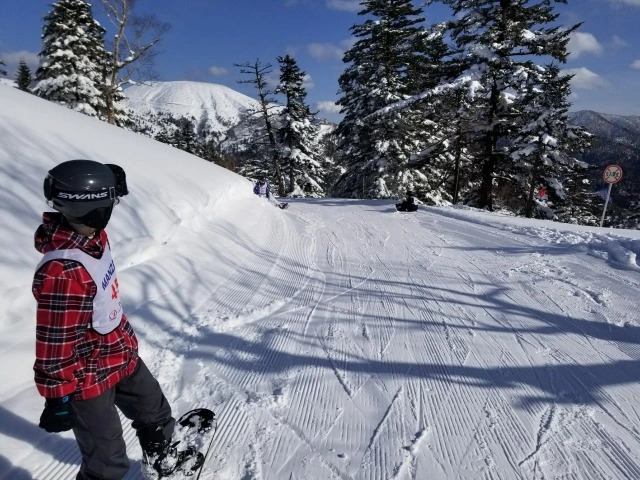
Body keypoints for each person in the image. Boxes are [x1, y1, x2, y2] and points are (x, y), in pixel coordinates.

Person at [33, 159, 177, 479]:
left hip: (120, 350)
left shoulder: (93, 234)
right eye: (111, 201)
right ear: (95, 208)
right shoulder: (63, 271)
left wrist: (109, 180)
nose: (114, 207)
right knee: (107, 459)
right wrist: (58, 394)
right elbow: (55, 342)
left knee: (155, 412)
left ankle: (162, 461)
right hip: (87, 375)